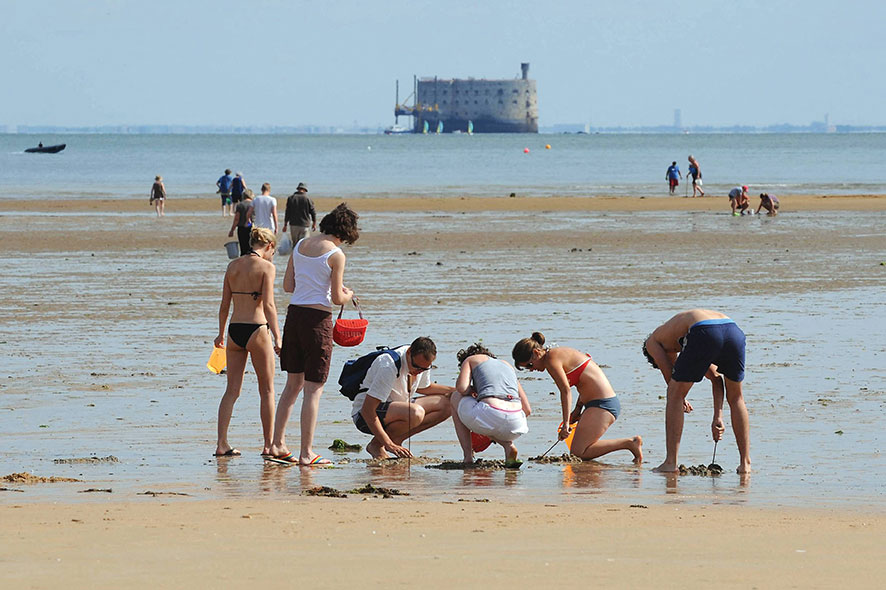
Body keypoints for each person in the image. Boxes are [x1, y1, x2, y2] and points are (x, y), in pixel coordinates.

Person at [268, 203, 359, 465]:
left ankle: (277, 444)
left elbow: (288, 286)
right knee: (313, 389)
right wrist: (348, 293)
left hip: (294, 317)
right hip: (318, 320)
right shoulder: (336, 255)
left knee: (291, 385)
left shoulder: (300, 245)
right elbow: (339, 297)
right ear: (345, 233)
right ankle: (307, 453)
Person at [642, 309, 750, 474]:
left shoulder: (652, 343)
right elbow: (715, 378)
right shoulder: (682, 339)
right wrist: (718, 417)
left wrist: (680, 398)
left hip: (704, 331)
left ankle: (670, 463)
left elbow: (671, 380)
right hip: (733, 330)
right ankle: (745, 464)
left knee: (674, 395)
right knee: (737, 398)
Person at [512, 333, 643, 463]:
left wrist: (566, 425)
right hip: (596, 404)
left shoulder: (551, 359)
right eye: (526, 368)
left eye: (530, 365)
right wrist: (577, 410)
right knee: (579, 451)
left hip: (603, 405)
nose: (532, 369)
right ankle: (629, 443)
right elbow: (585, 381)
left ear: (536, 352)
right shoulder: (557, 353)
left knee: (579, 453)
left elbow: (565, 390)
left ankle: (630, 443)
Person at [213, 227, 281, 457]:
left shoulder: (232, 266)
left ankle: (221, 443)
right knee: (268, 390)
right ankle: (269, 445)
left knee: (231, 390)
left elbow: (224, 305)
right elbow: (269, 305)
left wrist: (220, 334)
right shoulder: (267, 267)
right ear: (269, 246)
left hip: (234, 330)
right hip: (257, 328)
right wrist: (278, 338)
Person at [351, 337, 455, 459]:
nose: (419, 372)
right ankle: (377, 445)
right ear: (409, 352)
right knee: (415, 412)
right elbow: (367, 411)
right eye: (416, 367)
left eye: (424, 369)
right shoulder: (388, 366)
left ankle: (396, 440)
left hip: (397, 409)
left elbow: (424, 387)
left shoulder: (421, 363)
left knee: (448, 404)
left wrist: (458, 390)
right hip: (364, 416)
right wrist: (388, 444)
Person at [452, 343, 531, 466]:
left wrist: (472, 391)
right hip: (517, 424)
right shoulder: (507, 365)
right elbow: (527, 409)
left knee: (455, 397)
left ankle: (468, 457)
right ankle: (508, 446)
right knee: (494, 422)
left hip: (492, 412)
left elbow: (461, 388)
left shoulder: (470, 360)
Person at [228, 188, 254, 256]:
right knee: (252, 248)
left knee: (243, 248)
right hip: (253, 227)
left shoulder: (240, 205)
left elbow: (236, 219)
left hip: (242, 228)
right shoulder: (254, 204)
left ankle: (243, 264)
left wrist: (232, 230)